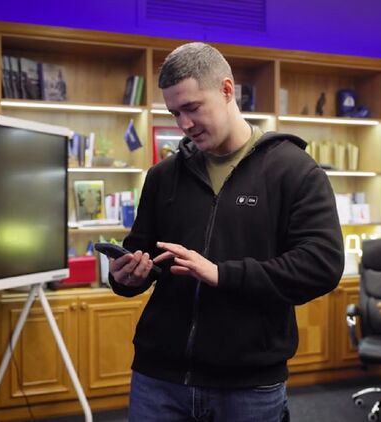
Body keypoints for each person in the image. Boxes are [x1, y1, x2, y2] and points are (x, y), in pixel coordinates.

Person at [108, 42, 344, 422]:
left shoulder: (295, 170)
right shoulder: (162, 176)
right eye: (174, 113)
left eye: (192, 108)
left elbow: (321, 266)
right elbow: (142, 257)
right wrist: (127, 277)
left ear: (227, 90)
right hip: (158, 379)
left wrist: (222, 274)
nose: (183, 124)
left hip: (248, 384)